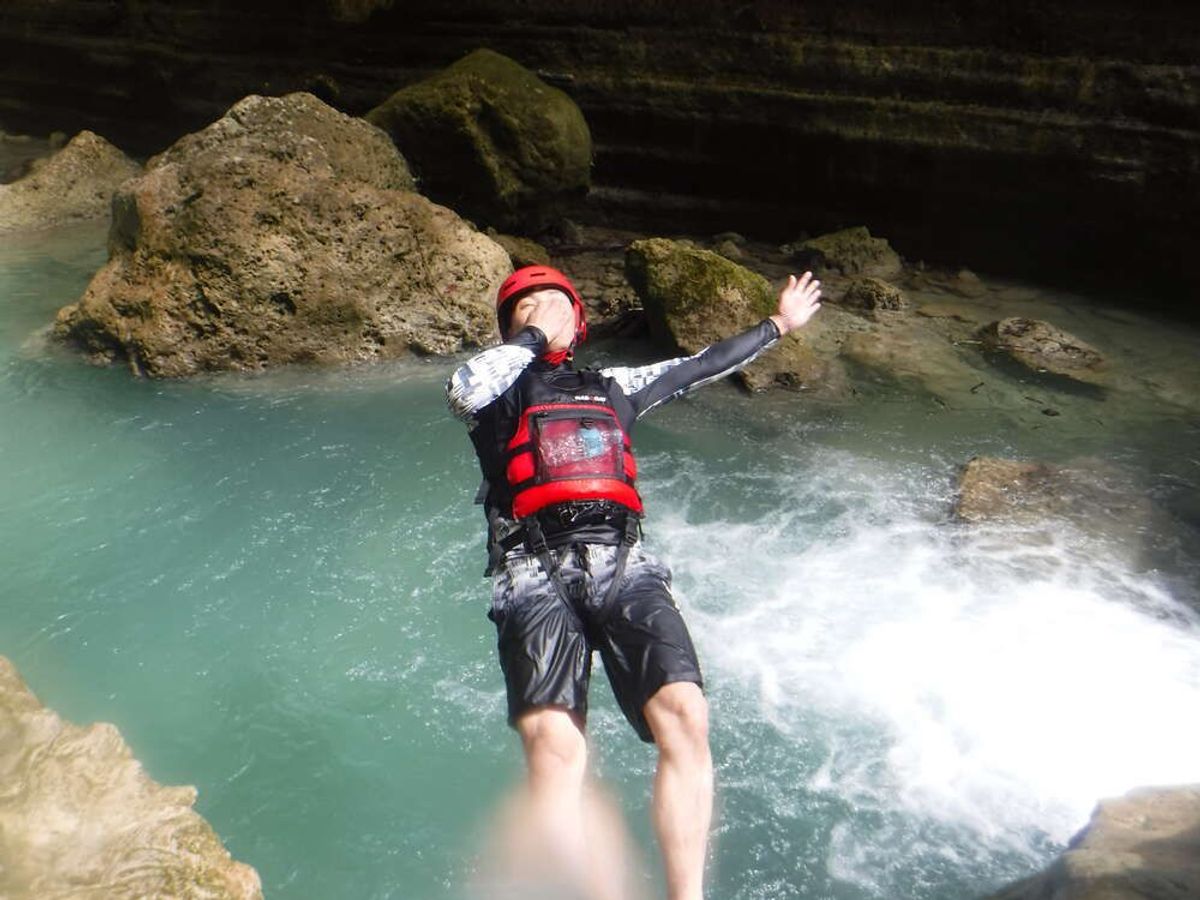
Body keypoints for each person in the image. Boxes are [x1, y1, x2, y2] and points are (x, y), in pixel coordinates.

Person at [446, 264, 822, 900]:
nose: (540, 311)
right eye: (525, 308)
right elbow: (461, 385)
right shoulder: (495, 392)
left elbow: (699, 366)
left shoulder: (615, 386)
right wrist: (530, 340)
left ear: (580, 320)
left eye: (553, 302)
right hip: (532, 572)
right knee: (554, 748)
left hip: (624, 563)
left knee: (685, 713)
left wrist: (778, 324)